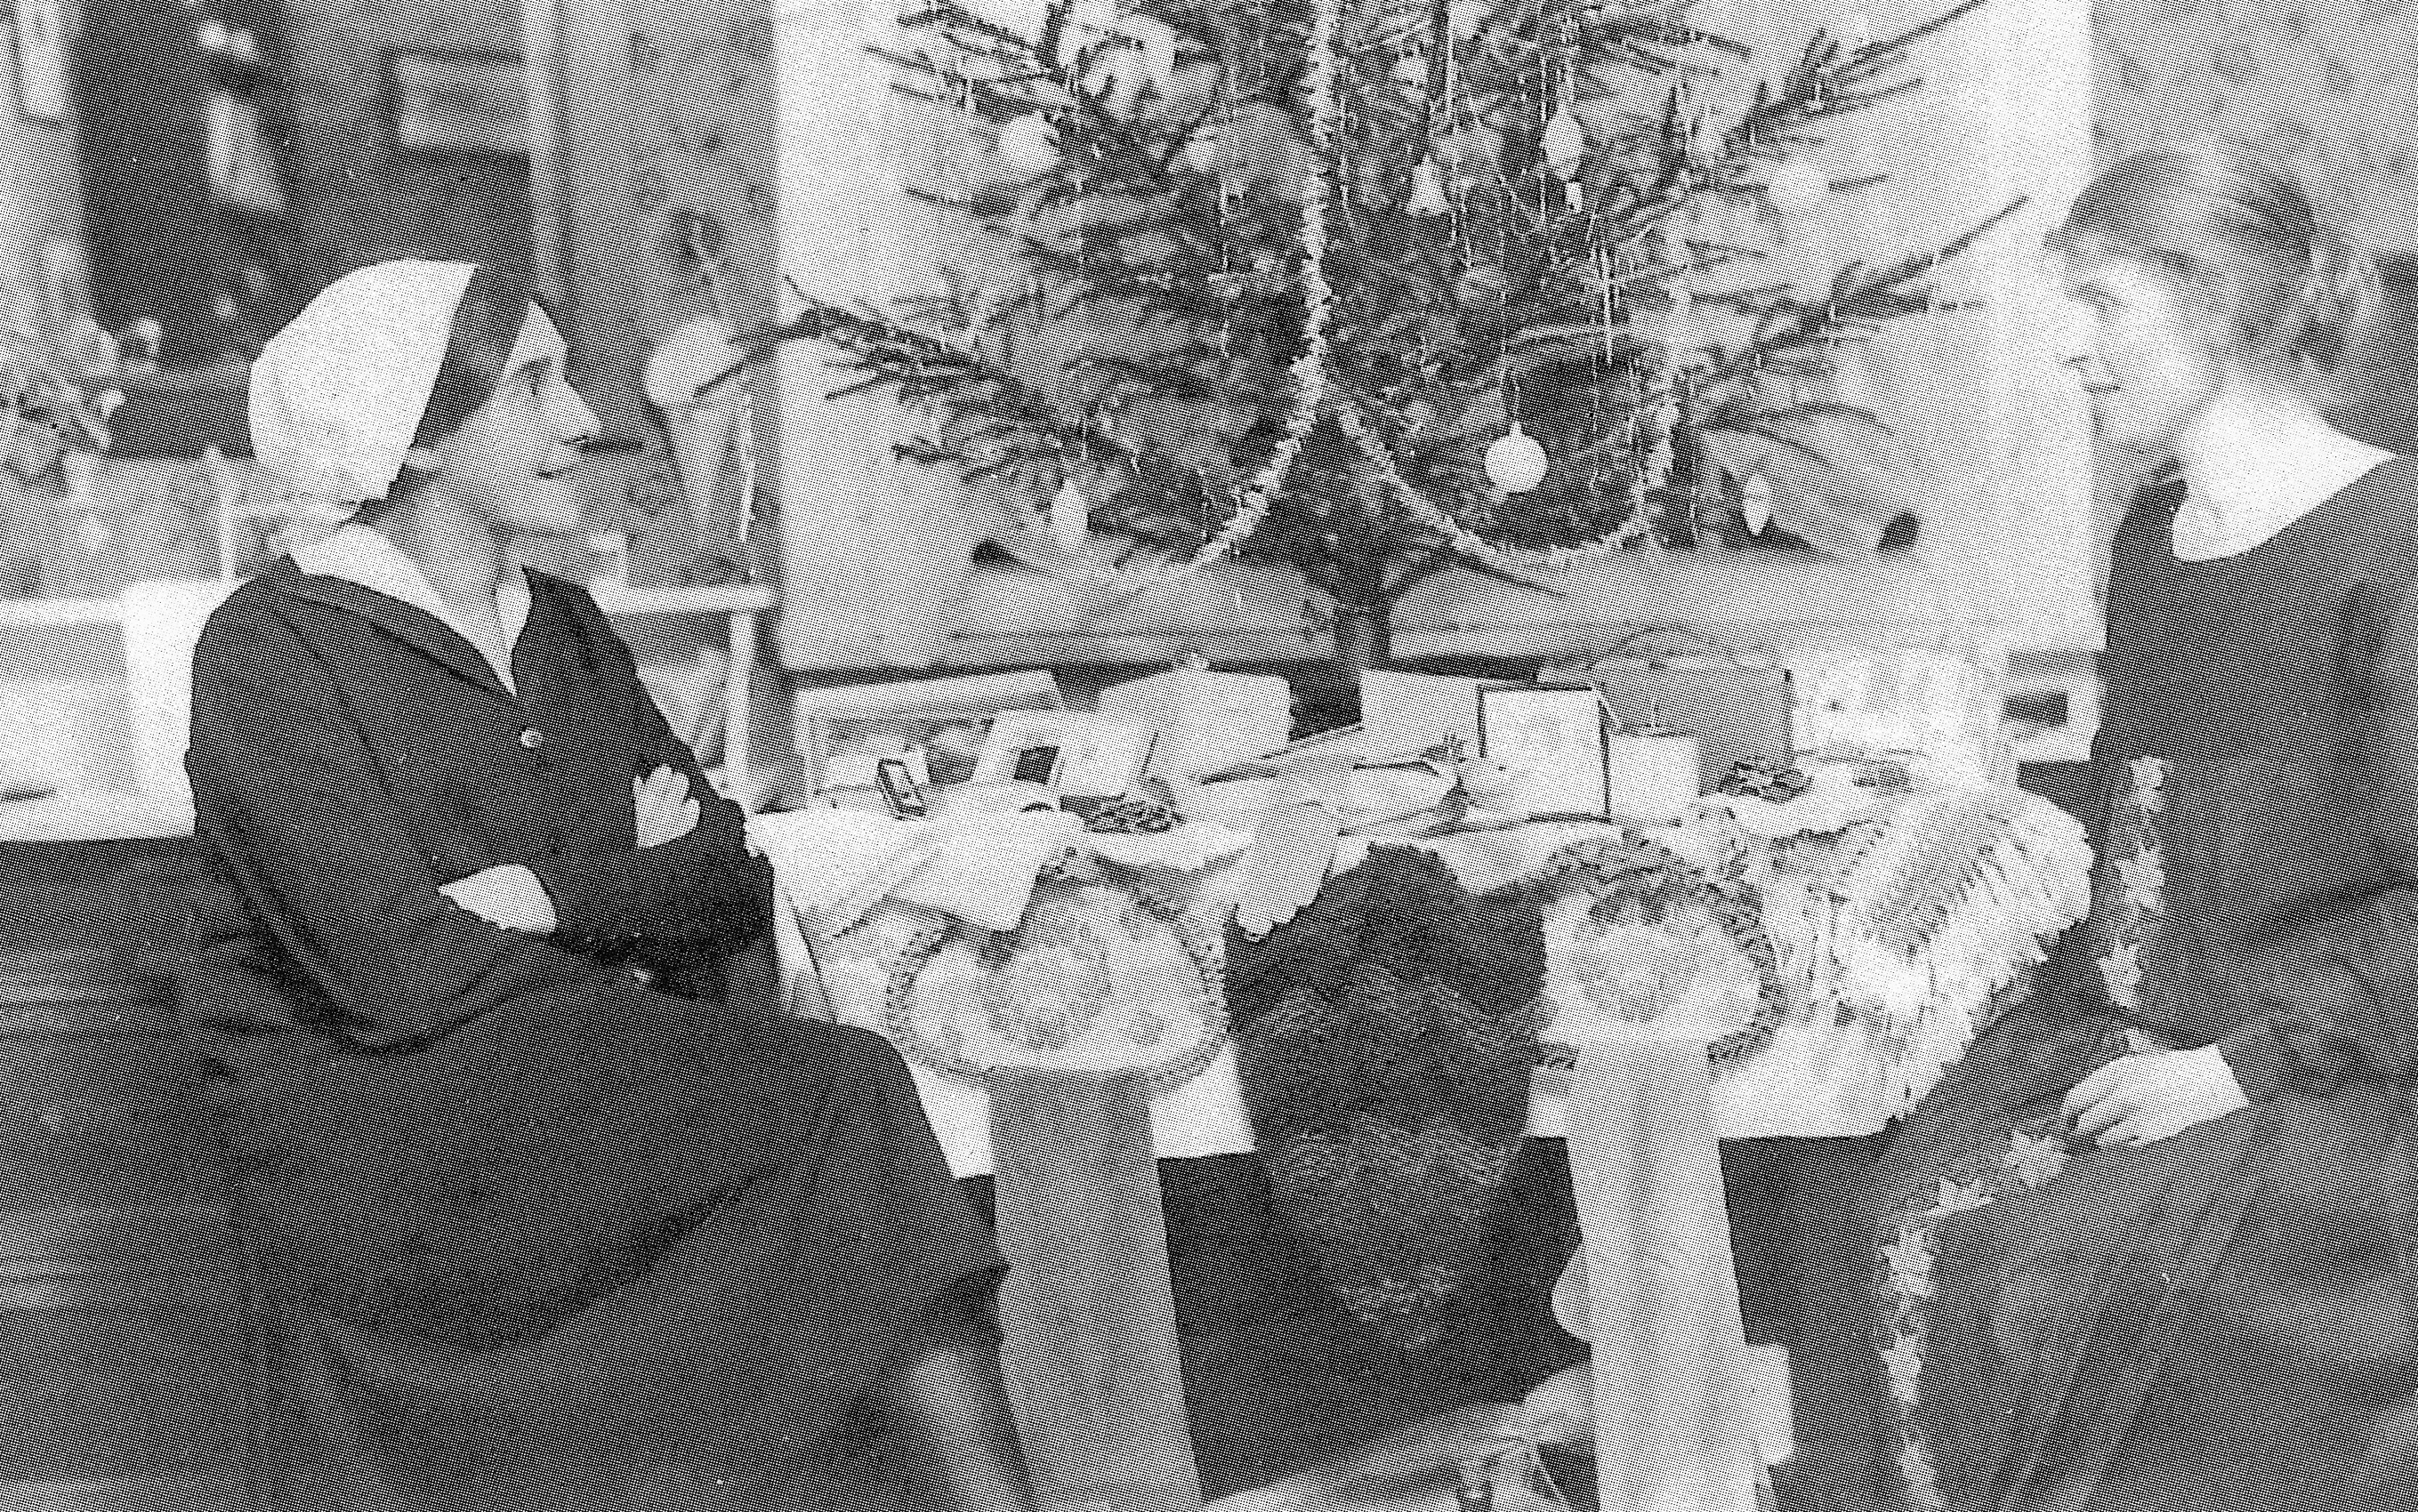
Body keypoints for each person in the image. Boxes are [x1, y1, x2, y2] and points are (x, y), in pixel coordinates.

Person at [181, 259, 1032, 1512]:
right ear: (413, 433)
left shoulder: (564, 625)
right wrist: (627, 885)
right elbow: (394, 969)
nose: (582, 418)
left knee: (830, 1113)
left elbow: (725, 875)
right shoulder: (271, 650)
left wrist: (549, 895)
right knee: (841, 1092)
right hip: (381, 1134)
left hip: (561, 1075)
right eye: (534, 385)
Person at [1782, 141, 2418, 1512]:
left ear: (2218, 302)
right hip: (2129, 1032)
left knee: (2022, 1266)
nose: (2067, 350)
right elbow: (2146, 811)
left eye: (2099, 305)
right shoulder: (2152, 535)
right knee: (1902, 1215)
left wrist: (2235, 1069)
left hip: (2324, 1079)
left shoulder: (2396, 539)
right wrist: (1951, 851)